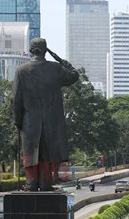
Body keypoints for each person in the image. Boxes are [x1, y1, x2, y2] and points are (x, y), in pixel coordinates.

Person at [12, 37, 79, 191]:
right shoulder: (55, 69)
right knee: (47, 155)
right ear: (45, 50)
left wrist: (18, 121)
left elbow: (15, 100)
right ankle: (46, 183)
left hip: (29, 122)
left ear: (30, 50)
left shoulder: (21, 71)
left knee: (31, 155)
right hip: (51, 123)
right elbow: (74, 75)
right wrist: (60, 59)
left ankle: (31, 184)